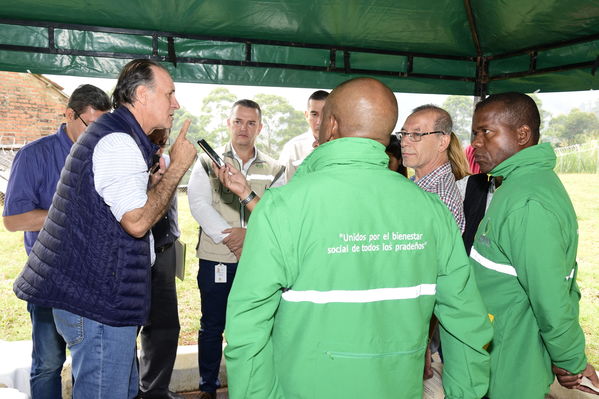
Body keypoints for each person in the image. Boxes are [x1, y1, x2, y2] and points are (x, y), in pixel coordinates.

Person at [224, 77, 492, 399]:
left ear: (332, 125)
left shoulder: (282, 206)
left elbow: (246, 326)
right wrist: (465, 393)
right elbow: (465, 321)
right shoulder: (432, 211)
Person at [12, 59, 197, 399]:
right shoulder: (118, 142)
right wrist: (177, 169)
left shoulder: (117, 135)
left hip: (101, 300)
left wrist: (152, 182)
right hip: (97, 303)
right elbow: (137, 222)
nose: (176, 104)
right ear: (142, 94)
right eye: (170, 94)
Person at [469, 92, 599, 398]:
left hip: (511, 362)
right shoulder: (515, 186)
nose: (475, 143)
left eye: (486, 132)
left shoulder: (528, 202)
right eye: (474, 133)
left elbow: (551, 294)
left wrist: (571, 361)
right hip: (501, 348)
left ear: (523, 134)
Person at [3, 84, 110, 399]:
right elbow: (13, 220)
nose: (97, 134)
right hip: (49, 278)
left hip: (92, 279)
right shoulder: (34, 155)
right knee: (49, 363)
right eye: (91, 126)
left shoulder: (104, 155)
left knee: (88, 363)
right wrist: (67, 214)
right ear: (69, 114)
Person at [187, 99, 285, 399]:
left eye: (251, 123)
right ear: (229, 123)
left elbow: (277, 211)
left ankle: (254, 385)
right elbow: (198, 203)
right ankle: (208, 386)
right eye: (238, 121)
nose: (244, 128)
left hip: (258, 261)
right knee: (213, 325)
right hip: (217, 258)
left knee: (257, 324)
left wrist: (249, 237)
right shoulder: (207, 161)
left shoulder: (275, 167)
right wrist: (231, 237)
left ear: (260, 127)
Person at [138, 128, 183, 399]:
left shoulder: (167, 164)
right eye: (156, 141)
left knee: (166, 325)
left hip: (165, 250)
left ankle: (155, 390)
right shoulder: (132, 160)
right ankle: (131, 389)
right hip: (136, 253)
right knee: (128, 325)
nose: (160, 146)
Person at [399, 104, 469, 233]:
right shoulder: (420, 185)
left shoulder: (440, 197)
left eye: (416, 134)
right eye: (403, 134)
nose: (404, 142)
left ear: (442, 142)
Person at [278, 90, 329, 180]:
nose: (319, 122)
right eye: (314, 114)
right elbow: (283, 188)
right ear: (306, 115)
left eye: (325, 114)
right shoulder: (293, 148)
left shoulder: (343, 146)